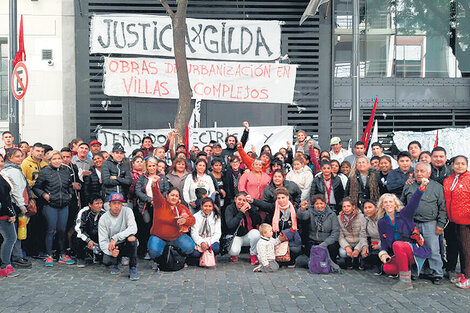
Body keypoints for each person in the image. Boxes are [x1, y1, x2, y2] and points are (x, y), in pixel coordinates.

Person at [377, 178, 430, 291]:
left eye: (390, 201)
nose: (388, 204)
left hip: (413, 250)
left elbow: (413, 203)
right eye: (385, 202)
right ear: (382, 206)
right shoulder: (381, 222)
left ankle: (405, 282)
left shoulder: (404, 214)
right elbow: (383, 242)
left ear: (395, 204)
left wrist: (421, 188)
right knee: (387, 268)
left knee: (397, 244)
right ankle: (408, 271)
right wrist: (383, 254)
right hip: (398, 253)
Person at [401, 162, 446, 284]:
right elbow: (402, 203)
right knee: (415, 249)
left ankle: (437, 273)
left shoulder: (437, 187)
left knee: (433, 249)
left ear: (429, 173)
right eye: (417, 171)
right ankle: (417, 271)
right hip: (413, 224)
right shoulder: (409, 185)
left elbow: (442, 207)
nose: (419, 174)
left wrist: (440, 224)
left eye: (422, 171)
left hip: (430, 223)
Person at [33, 150, 75, 266]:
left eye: (59, 159)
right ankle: (49, 255)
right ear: (50, 160)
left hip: (64, 205)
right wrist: (44, 195)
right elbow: (36, 187)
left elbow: (70, 185)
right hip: (50, 205)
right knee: (51, 230)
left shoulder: (66, 170)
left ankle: (62, 255)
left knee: (62, 231)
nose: (57, 161)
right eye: (54, 159)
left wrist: (69, 194)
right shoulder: (45, 171)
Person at [147, 181, 196, 262]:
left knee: (189, 247)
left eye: (176, 196)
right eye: (172, 195)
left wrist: (185, 220)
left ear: (179, 198)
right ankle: (160, 260)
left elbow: (193, 220)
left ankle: (178, 258)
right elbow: (156, 194)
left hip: (176, 237)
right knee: (154, 250)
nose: (174, 198)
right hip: (159, 237)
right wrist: (154, 185)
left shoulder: (181, 207)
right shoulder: (160, 204)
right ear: (167, 196)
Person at [135, 157, 171, 258]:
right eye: (149, 166)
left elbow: (166, 190)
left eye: (153, 166)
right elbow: (138, 191)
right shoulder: (142, 178)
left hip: (159, 206)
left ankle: (157, 250)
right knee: (147, 225)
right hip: (146, 206)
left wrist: (158, 199)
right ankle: (146, 249)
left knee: (158, 226)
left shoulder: (162, 177)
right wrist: (149, 199)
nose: (151, 168)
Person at [443, 156, 470, 289]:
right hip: (452, 220)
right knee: (456, 247)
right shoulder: (448, 180)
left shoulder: (469, 179)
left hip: (466, 221)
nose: (460, 166)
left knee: (466, 249)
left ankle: (468, 276)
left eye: (463, 164)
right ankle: (462, 272)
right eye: (457, 164)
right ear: (452, 165)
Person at [2, 148, 32, 268]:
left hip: (13, 204)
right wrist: (22, 206)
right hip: (15, 204)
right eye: (17, 156)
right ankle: (16, 257)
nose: (20, 158)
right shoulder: (13, 171)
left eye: (21, 156)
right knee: (15, 234)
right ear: (10, 158)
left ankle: (15, 256)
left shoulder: (11, 169)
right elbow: (16, 191)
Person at [98, 192, 139, 281]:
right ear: (109, 204)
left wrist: (115, 237)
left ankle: (133, 267)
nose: (117, 206)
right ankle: (116, 262)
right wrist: (111, 252)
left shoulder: (128, 211)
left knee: (132, 238)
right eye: (114, 203)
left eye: (119, 203)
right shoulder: (103, 218)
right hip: (113, 246)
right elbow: (102, 241)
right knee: (106, 261)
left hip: (125, 242)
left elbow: (133, 228)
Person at [21, 142, 48, 257]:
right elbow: (23, 181)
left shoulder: (45, 164)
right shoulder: (25, 163)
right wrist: (36, 183)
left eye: (42, 151)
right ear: (31, 151)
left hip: (42, 198)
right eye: (38, 151)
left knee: (42, 225)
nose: (40, 153)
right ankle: (29, 250)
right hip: (31, 198)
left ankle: (39, 249)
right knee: (31, 226)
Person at [298, 194, 340, 263]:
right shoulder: (310, 212)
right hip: (313, 240)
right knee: (309, 249)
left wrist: (325, 243)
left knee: (333, 247)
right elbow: (302, 216)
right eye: (317, 204)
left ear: (325, 204)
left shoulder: (332, 214)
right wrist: (302, 209)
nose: (319, 206)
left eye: (321, 203)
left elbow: (335, 232)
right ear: (313, 205)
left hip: (327, 241)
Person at [225, 192, 261, 265]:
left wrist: (252, 211)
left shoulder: (250, 207)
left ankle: (253, 254)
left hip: (246, 235)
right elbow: (230, 225)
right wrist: (241, 212)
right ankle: (233, 255)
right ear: (235, 199)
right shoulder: (230, 208)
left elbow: (258, 221)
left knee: (256, 233)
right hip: (234, 236)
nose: (241, 202)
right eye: (239, 199)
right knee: (234, 251)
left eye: (244, 200)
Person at [270, 187, 302, 265]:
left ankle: (291, 261)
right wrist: (252, 201)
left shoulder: (294, 208)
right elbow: (262, 205)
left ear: (287, 197)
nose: (281, 200)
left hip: (290, 239)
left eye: (283, 197)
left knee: (296, 243)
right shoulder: (273, 207)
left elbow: (300, 222)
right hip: (277, 238)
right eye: (279, 198)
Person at [74, 195, 105, 267]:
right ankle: (80, 257)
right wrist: (88, 240)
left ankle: (98, 255)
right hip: (85, 235)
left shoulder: (103, 213)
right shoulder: (83, 212)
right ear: (90, 205)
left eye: (101, 203)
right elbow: (79, 229)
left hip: (97, 235)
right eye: (97, 204)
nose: (99, 206)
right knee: (78, 236)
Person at [337, 197, 367, 269]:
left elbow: (363, 235)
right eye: (344, 206)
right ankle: (348, 260)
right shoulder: (339, 218)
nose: (346, 208)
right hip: (348, 241)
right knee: (342, 253)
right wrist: (347, 247)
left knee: (363, 251)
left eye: (348, 206)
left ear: (353, 207)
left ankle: (359, 259)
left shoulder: (361, 217)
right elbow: (340, 236)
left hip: (359, 241)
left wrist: (357, 249)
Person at [0, 169, 19, 277]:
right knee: (11, 237)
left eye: (2, 160)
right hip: (3, 212)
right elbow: (4, 197)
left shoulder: (2, 175)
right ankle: (5, 265)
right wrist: (11, 213)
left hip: (4, 210)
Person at [190, 198, 222, 262]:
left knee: (216, 248)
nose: (207, 208)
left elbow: (217, 233)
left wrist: (208, 243)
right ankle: (202, 258)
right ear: (201, 206)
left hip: (211, 240)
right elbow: (194, 233)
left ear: (213, 207)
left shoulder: (216, 217)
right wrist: (201, 242)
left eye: (210, 206)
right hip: (200, 240)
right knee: (195, 253)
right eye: (205, 206)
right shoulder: (195, 217)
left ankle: (209, 257)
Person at [361, 200, 382, 274]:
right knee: (364, 255)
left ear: (376, 208)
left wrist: (379, 245)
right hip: (372, 241)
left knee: (376, 253)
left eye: (370, 207)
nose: (367, 210)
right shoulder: (365, 219)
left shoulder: (382, 219)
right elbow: (363, 235)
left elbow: (386, 234)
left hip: (383, 241)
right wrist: (364, 246)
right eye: (365, 208)